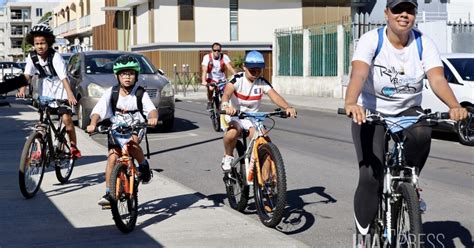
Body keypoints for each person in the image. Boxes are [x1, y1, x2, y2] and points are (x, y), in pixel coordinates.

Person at [343, 0, 468, 245]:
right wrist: (351, 102)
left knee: (422, 132)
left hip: (408, 110)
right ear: (387, 13)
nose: (404, 15)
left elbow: (437, 79)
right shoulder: (371, 40)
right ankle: (362, 238)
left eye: (409, 10)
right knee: (370, 177)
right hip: (371, 111)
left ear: (415, 15)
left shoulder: (423, 43)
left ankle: (409, 184)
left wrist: (454, 106)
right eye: (398, 10)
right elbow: (359, 72)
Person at [86, 55, 157, 206]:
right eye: (123, 74)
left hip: (136, 126)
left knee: (131, 144)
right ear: (117, 76)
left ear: (136, 76)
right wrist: (93, 123)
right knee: (112, 157)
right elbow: (98, 110)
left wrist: (152, 118)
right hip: (116, 127)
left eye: (131, 74)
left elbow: (151, 110)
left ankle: (143, 165)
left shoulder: (140, 93)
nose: (127, 77)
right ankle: (109, 193)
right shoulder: (112, 92)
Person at [220, 50, 297, 172]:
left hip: (253, 119)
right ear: (244, 67)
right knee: (232, 133)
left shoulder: (262, 82)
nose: (256, 74)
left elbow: (275, 96)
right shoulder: (237, 79)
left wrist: (287, 107)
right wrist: (226, 106)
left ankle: (266, 186)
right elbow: (226, 93)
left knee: (266, 146)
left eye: (258, 70)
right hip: (236, 116)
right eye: (252, 70)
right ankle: (228, 156)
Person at [16, 23, 81, 159]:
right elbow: (27, 75)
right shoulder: (32, 57)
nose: (40, 46)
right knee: (42, 123)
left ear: (49, 43)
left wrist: (70, 95)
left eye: (43, 43)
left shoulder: (55, 56)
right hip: (45, 91)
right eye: (37, 43)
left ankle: (73, 146)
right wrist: (22, 89)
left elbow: (64, 78)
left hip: (61, 90)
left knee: (66, 119)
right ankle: (39, 150)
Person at [201, 42, 236, 110]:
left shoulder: (224, 57)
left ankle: (223, 106)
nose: (216, 52)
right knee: (211, 88)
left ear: (220, 50)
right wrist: (203, 81)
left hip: (221, 79)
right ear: (212, 50)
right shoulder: (207, 57)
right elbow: (204, 70)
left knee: (226, 91)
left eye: (218, 50)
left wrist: (237, 76)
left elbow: (230, 68)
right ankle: (210, 101)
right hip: (211, 78)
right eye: (215, 50)